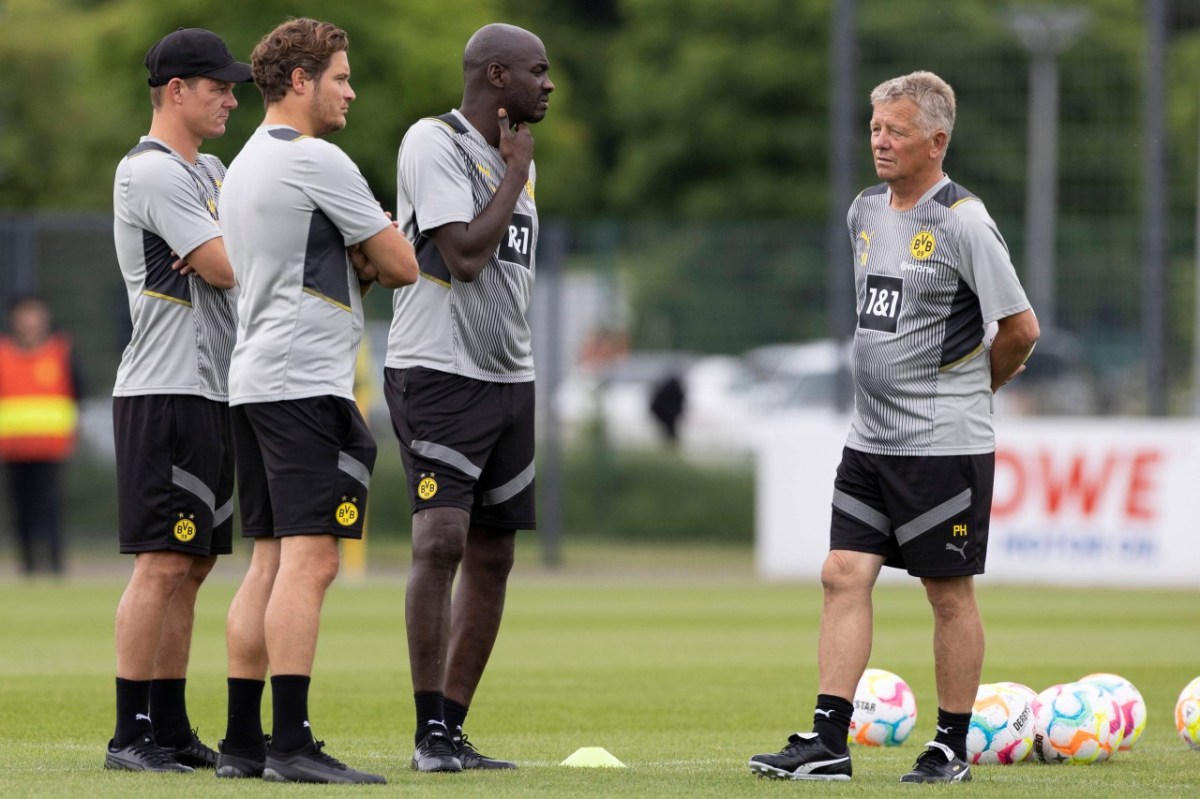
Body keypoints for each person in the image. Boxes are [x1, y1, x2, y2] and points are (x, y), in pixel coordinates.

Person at [747, 71, 1039, 784]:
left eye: (896, 130)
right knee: (842, 574)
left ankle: (950, 745)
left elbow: (1020, 328)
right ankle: (827, 742)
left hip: (943, 445)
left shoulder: (964, 220)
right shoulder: (864, 212)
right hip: (869, 438)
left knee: (947, 592)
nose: (880, 140)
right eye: (876, 127)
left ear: (936, 141)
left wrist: (975, 387)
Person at [216, 17, 417, 784]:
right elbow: (398, 262)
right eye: (339, 76)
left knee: (267, 561)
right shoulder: (316, 160)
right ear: (300, 81)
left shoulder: (241, 166)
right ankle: (292, 743)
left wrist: (356, 254)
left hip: (256, 379)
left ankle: (243, 742)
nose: (349, 90)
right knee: (312, 560)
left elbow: (338, 261)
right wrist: (372, 246)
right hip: (307, 382)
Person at [385, 22, 553, 773]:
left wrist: (517, 169)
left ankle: (453, 730)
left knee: (494, 554)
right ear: (495, 75)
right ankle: (426, 732)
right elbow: (463, 254)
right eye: (536, 71)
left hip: (509, 379)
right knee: (440, 539)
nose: (548, 84)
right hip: (438, 372)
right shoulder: (434, 142)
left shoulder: (519, 160)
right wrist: (513, 173)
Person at [107, 27, 251, 773]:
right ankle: (129, 733)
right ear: (176, 92)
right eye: (219, 86)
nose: (231, 98)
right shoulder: (151, 172)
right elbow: (225, 265)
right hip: (163, 390)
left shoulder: (216, 169)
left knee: (191, 564)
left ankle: (168, 725)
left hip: (211, 390)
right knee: (161, 564)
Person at [0, 295, 83, 575]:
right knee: (21, 509)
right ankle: (28, 565)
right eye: (25, 315)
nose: (30, 321)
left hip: (52, 447)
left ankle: (56, 564)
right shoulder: (3, 353)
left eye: (35, 314)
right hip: (13, 448)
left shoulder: (61, 351)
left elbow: (77, 393)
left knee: (52, 507)